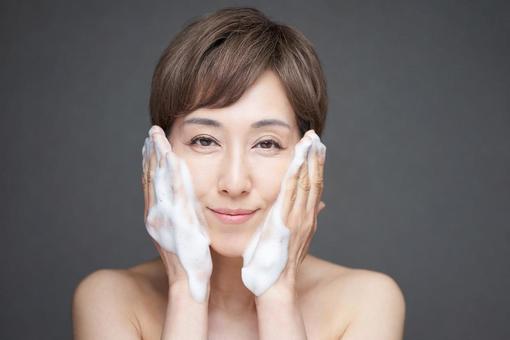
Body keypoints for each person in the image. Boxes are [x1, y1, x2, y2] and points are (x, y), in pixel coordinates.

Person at [72, 7, 405, 340]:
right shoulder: (110, 300)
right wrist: (187, 292)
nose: (234, 183)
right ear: (159, 154)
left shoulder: (365, 302)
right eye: (205, 140)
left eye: (266, 144)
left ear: (309, 160)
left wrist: (277, 294)